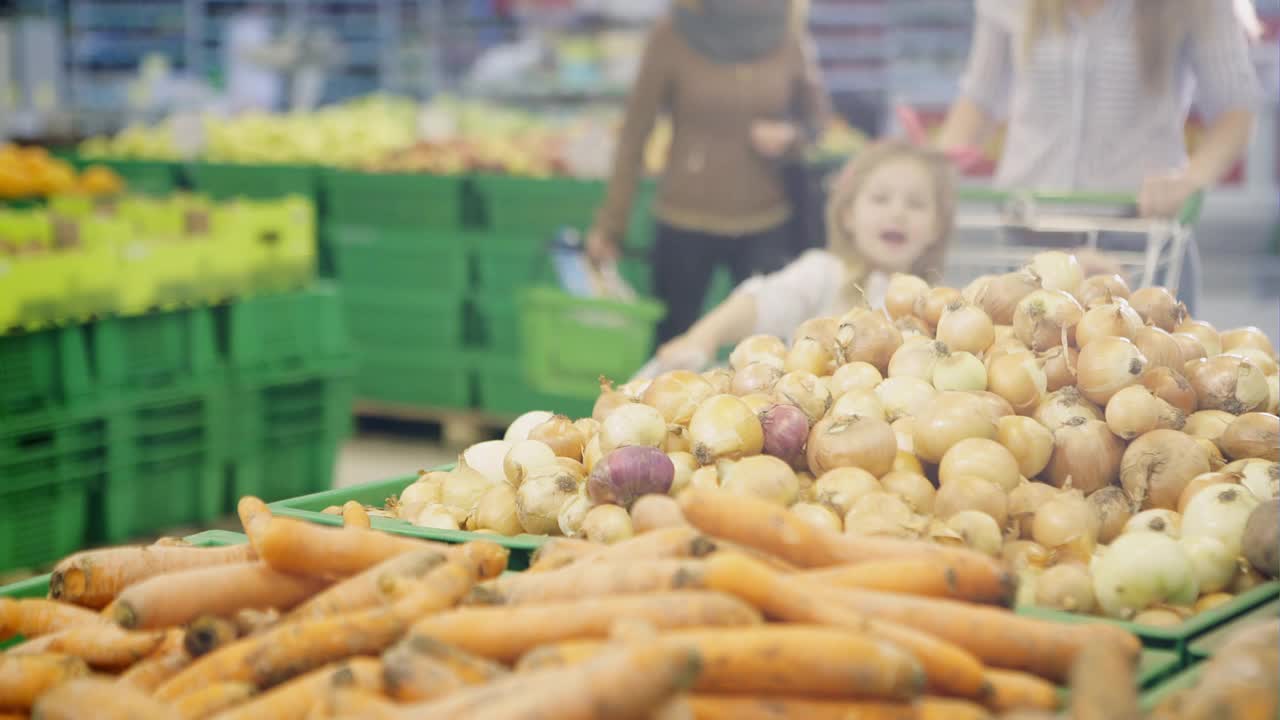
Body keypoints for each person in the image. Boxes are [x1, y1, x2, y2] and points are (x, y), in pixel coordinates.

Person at [935, 0, 1262, 314]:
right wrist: (930, 171)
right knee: (1017, 363)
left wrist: (1189, 179)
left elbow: (1236, 106)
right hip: (1027, 230)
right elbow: (979, 99)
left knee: (1152, 362)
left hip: (1140, 237)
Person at [586, 0, 831, 347]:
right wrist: (611, 224)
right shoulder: (673, 33)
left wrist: (790, 136)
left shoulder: (788, 32)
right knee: (674, 342)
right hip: (685, 220)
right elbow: (634, 134)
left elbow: (817, 122)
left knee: (768, 348)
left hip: (767, 221)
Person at [651, 141, 955, 371]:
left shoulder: (936, 311)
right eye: (880, 199)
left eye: (915, 204)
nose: (897, 212)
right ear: (847, 215)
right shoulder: (824, 273)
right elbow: (761, 301)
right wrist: (703, 337)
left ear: (936, 227)